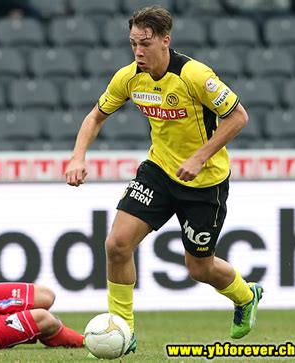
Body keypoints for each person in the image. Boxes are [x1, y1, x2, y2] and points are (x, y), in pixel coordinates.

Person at [65, 6, 263, 356]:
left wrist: (200, 156)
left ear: (165, 41)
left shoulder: (195, 75)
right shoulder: (128, 78)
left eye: (145, 43)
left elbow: (238, 116)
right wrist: (78, 157)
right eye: (132, 44)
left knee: (199, 267)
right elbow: (95, 116)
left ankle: (246, 296)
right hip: (159, 172)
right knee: (117, 245)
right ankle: (123, 330)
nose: (138, 51)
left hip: (205, 181)